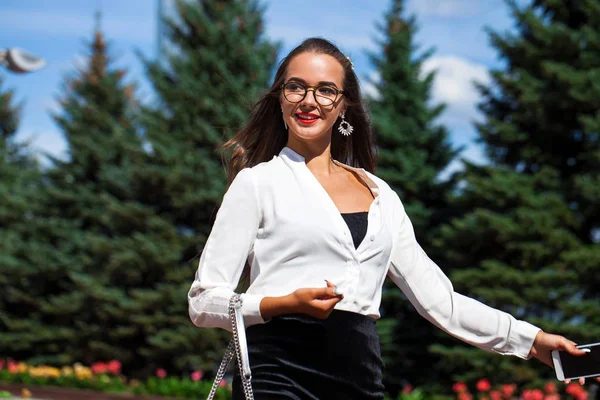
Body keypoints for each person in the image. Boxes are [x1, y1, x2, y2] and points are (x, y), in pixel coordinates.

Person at [188, 37, 592, 399]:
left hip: (359, 379)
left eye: (326, 90)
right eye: (296, 87)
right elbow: (204, 302)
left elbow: (442, 303)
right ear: (280, 97)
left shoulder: (381, 195)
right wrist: (283, 303)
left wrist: (532, 340)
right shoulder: (257, 184)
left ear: (344, 104)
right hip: (277, 375)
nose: (309, 101)